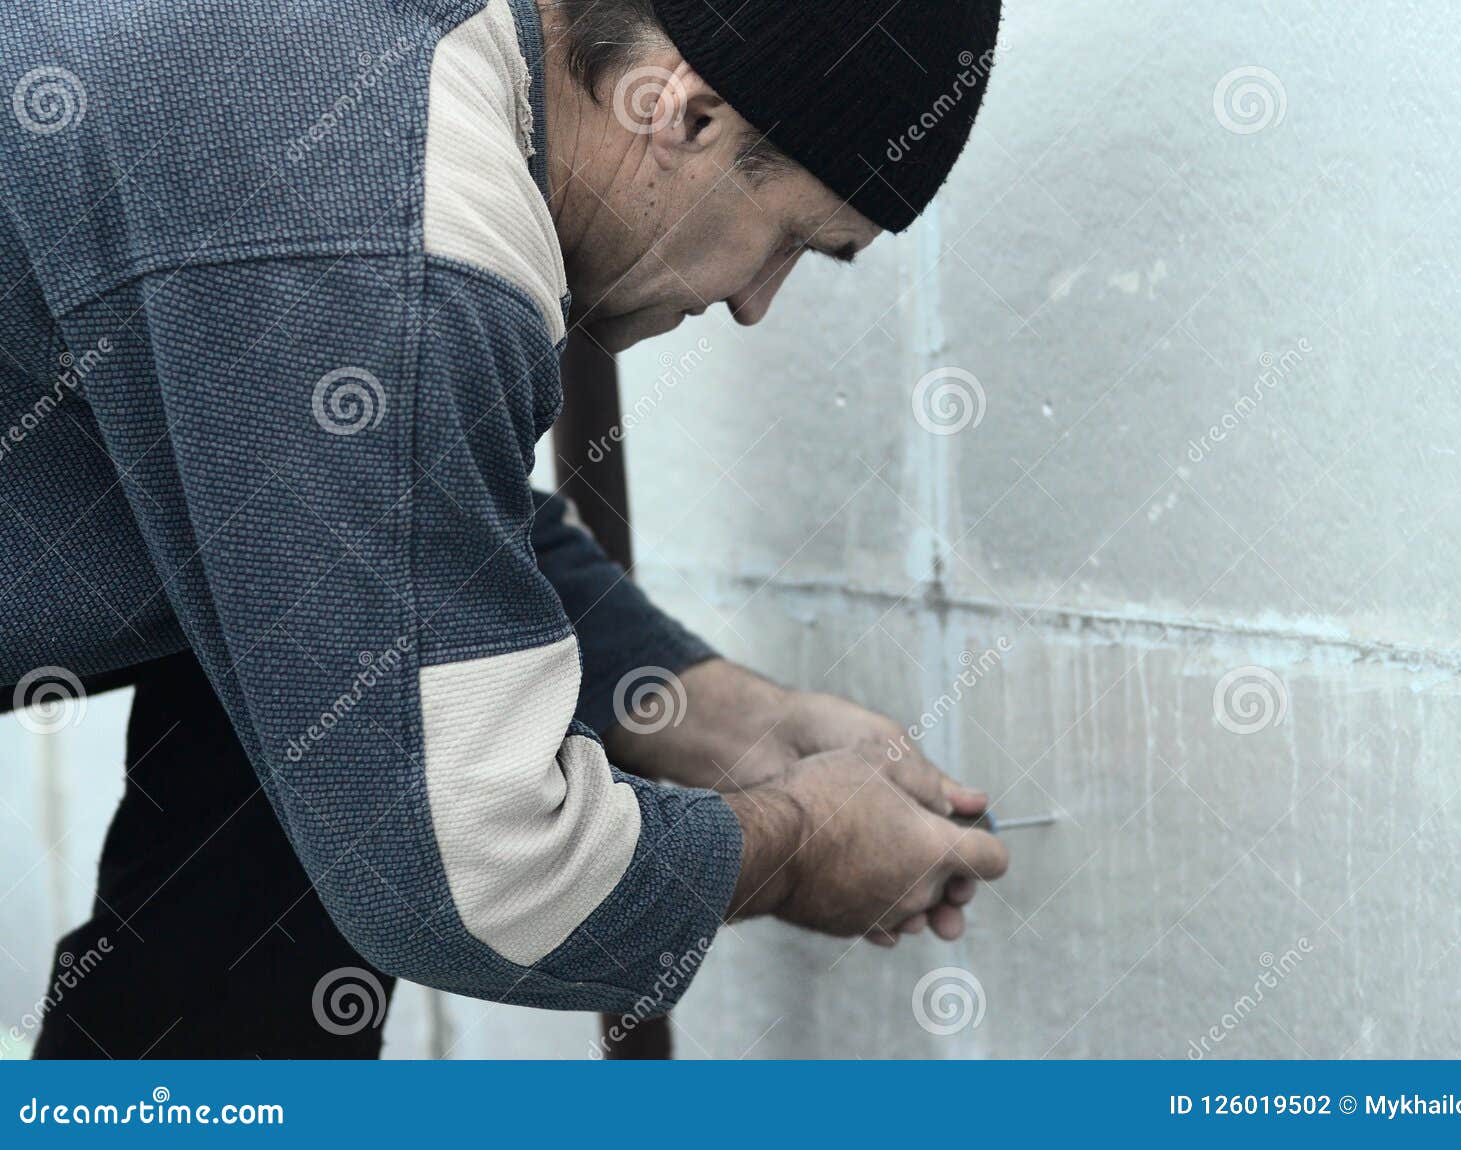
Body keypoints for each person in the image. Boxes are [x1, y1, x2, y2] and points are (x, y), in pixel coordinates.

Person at [0, 0, 1009, 1057]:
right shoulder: (384, 219)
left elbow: (383, 527)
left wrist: (732, 720)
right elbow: (484, 882)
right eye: (791, 240)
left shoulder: (395, 81)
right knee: (374, 730)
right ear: (688, 115)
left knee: (352, 679)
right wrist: (801, 842)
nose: (756, 302)